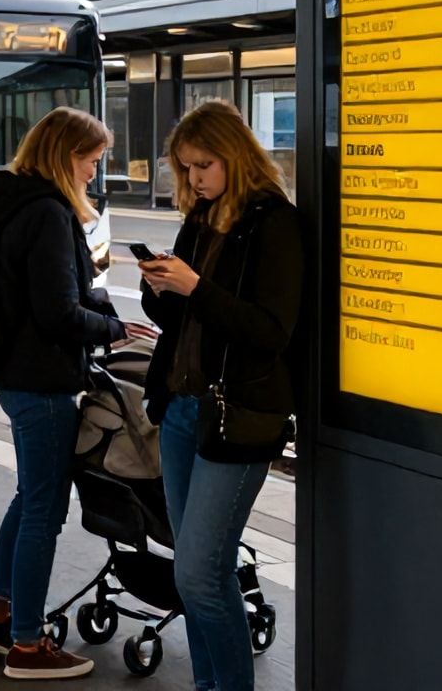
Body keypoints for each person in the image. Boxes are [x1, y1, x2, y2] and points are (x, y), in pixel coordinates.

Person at [0, 106, 155, 681]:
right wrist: (116, 328)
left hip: (20, 377)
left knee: (29, 499)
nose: (95, 173)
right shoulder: (48, 214)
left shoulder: (18, 205)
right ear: (65, 155)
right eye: (92, 161)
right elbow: (56, 312)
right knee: (44, 511)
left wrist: (105, 311)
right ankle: (26, 645)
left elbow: (49, 293)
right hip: (44, 383)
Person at [138, 100, 302, 691]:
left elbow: (270, 330)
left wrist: (196, 288)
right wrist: (161, 288)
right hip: (183, 410)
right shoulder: (201, 217)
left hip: (237, 416)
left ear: (234, 154)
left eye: (203, 165)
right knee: (190, 572)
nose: (194, 179)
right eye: (185, 169)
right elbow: (182, 319)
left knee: (204, 571)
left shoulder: (272, 223)